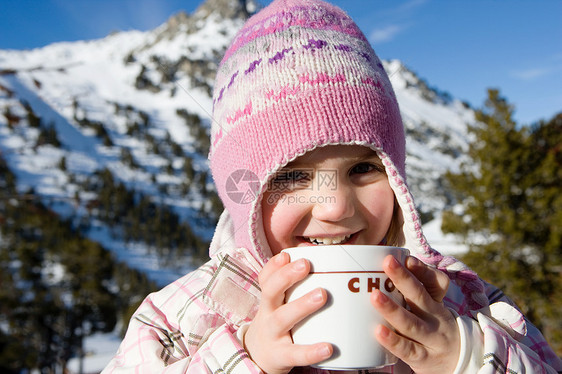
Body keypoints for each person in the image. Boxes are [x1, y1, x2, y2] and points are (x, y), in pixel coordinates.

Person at [102, 0, 562, 373]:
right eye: (293, 176)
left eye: (363, 169)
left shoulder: (459, 295)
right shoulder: (180, 318)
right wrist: (247, 357)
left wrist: (464, 356)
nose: (337, 207)